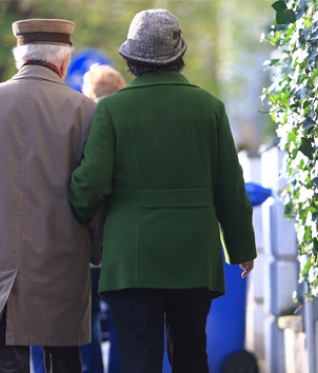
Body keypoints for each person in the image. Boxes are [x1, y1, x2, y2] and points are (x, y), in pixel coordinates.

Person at [68, 9, 257, 373]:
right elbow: (229, 186)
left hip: (132, 260)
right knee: (191, 355)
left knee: (139, 360)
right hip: (193, 258)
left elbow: (90, 184)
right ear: (179, 55)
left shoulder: (111, 110)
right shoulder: (210, 108)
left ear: (130, 58)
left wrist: (74, 209)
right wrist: (241, 248)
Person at [0, 19, 103, 373]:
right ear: (64, 62)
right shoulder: (86, 111)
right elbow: (95, 194)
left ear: (20, 58)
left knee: (5, 364)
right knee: (63, 362)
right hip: (63, 266)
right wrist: (94, 251)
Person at [79, 63, 124, 373]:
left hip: (85, 238)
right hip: (122, 236)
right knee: (124, 314)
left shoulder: (80, 120)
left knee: (88, 314)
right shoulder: (125, 120)